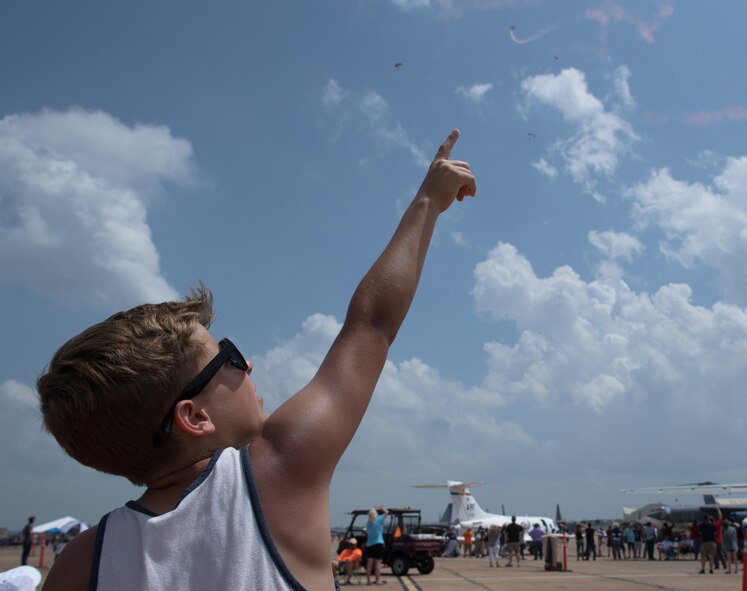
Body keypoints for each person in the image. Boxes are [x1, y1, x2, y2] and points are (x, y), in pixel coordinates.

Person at [38, 129, 477, 591]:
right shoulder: (277, 475)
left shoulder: (78, 565)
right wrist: (429, 199)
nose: (247, 367)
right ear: (194, 416)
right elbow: (371, 326)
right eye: (229, 357)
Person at [365, 506, 389, 585]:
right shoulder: (378, 520)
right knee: (377, 563)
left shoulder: (368, 524)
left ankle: (368, 581)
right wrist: (382, 507)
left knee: (369, 564)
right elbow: (387, 512)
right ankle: (378, 580)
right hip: (378, 543)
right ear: (376, 514)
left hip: (369, 545)